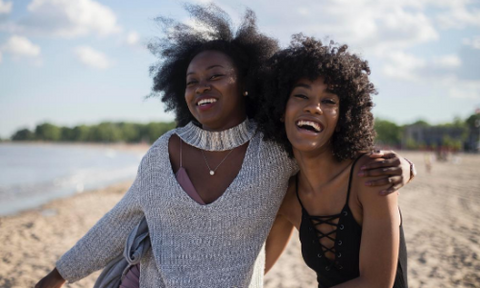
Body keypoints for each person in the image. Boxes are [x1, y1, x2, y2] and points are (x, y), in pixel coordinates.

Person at [35, 5, 412, 288]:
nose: (202, 87)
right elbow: (120, 222)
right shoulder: (162, 153)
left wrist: (404, 166)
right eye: (192, 81)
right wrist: (57, 276)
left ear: (246, 84)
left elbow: (329, 151)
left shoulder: (276, 153)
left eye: (216, 76)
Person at [259, 35, 408, 287]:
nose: (314, 107)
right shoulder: (287, 195)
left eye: (329, 101)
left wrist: (408, 166)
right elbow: (255, 270)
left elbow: (376, 283)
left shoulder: (370, 175)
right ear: (280, 109)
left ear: (344, 117)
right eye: (301, 95)